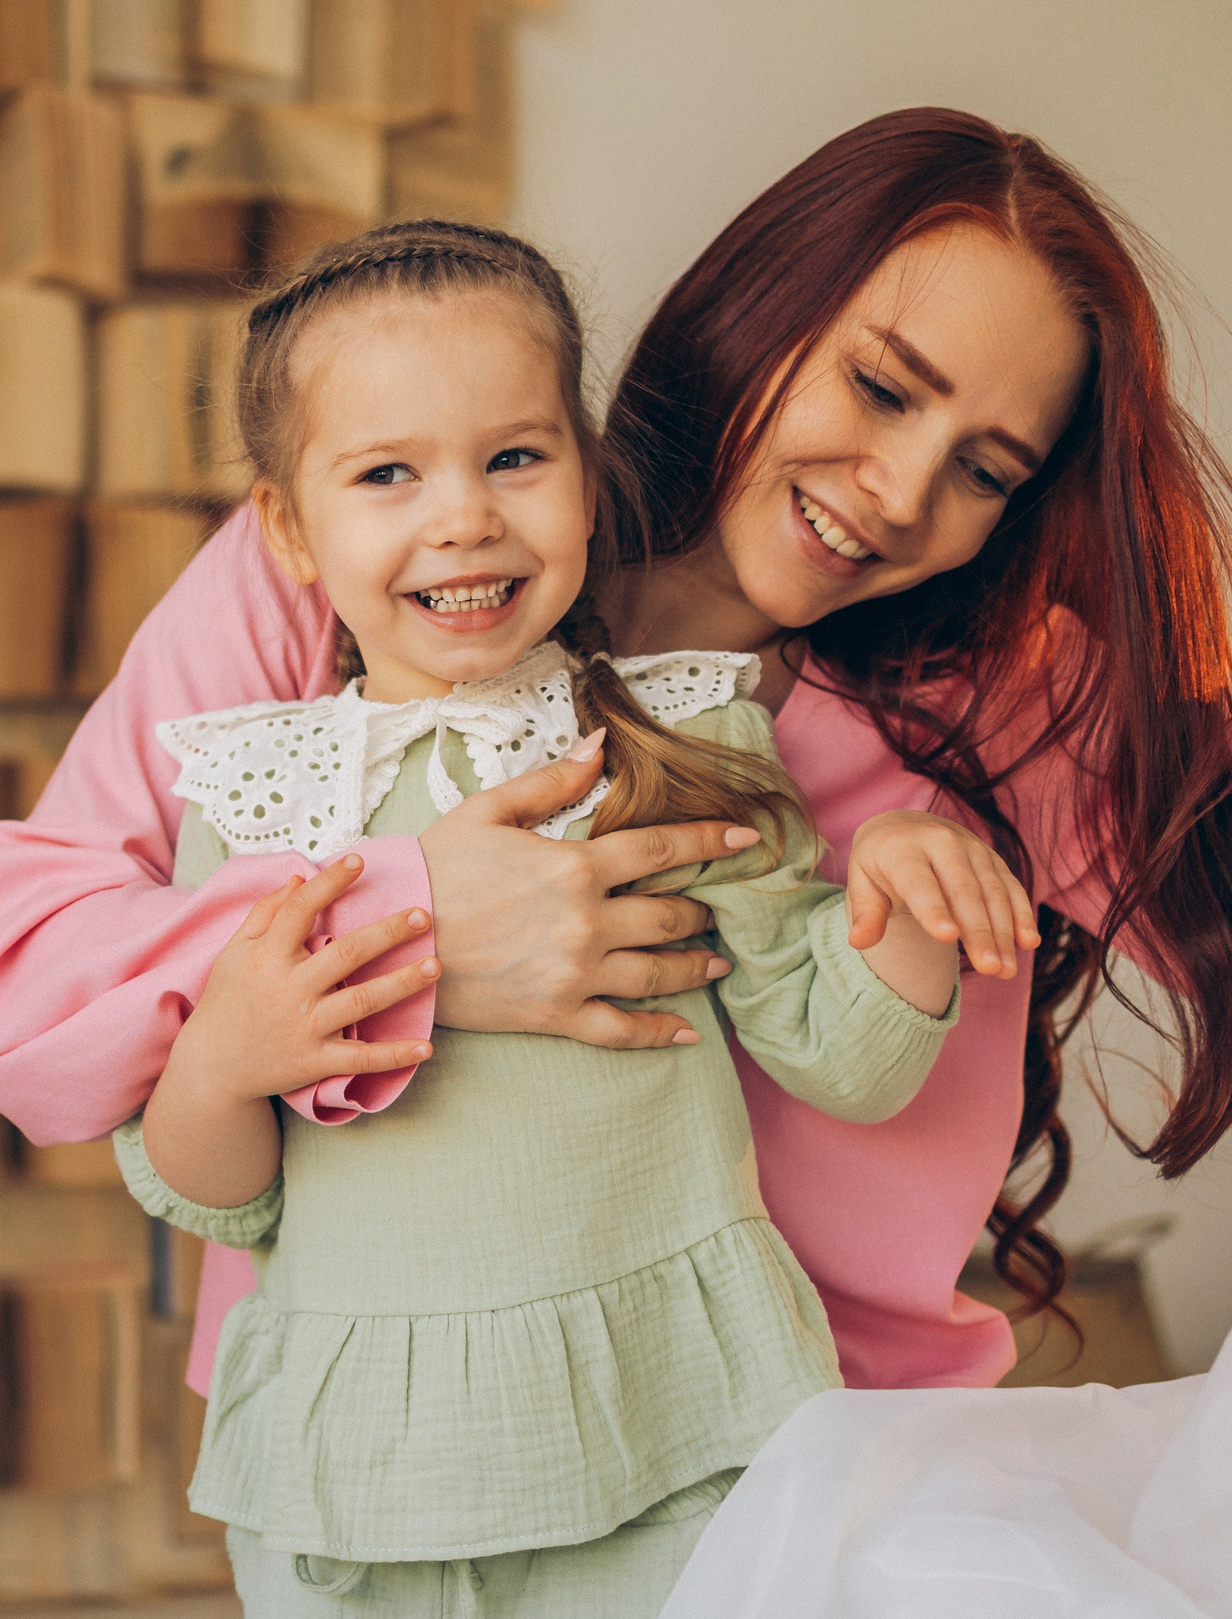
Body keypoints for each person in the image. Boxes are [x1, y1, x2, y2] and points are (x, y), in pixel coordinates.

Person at [0, 108, 1232, 1401]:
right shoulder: (386, 564)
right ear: (763, 305)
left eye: (987, 466)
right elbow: (24, 987)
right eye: (879, 385)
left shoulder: (997, 705)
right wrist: (429, 920)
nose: (902, 491)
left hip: (793, 1476)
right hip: (402, 1457)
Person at [121, 217, 1032, 1612]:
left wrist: (911, 889)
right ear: (291, 531)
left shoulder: (687, 734)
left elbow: (841, 1055)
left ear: (591, 485)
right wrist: (225, 1060)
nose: (463, 518)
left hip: (671, 1431)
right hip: (368, 1466)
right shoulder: (258, 796)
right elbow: (218, 1195)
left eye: (514, 458)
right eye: (387, 473)